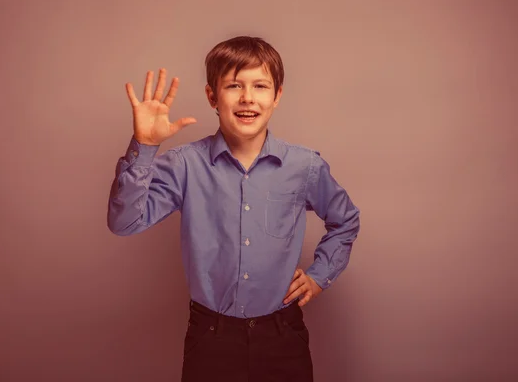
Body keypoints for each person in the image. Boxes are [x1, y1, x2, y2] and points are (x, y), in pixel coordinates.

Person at [107, 36, 360, 382]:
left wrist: (319, 276)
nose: (247, 98)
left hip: (282, 336)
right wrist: (145, 147)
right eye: (233, 85)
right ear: (213, 96)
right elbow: (124, 222)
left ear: (277, 96)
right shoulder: (184, 166)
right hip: (211, 338)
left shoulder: (304, 166)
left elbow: (345, 220)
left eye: (260, 85)